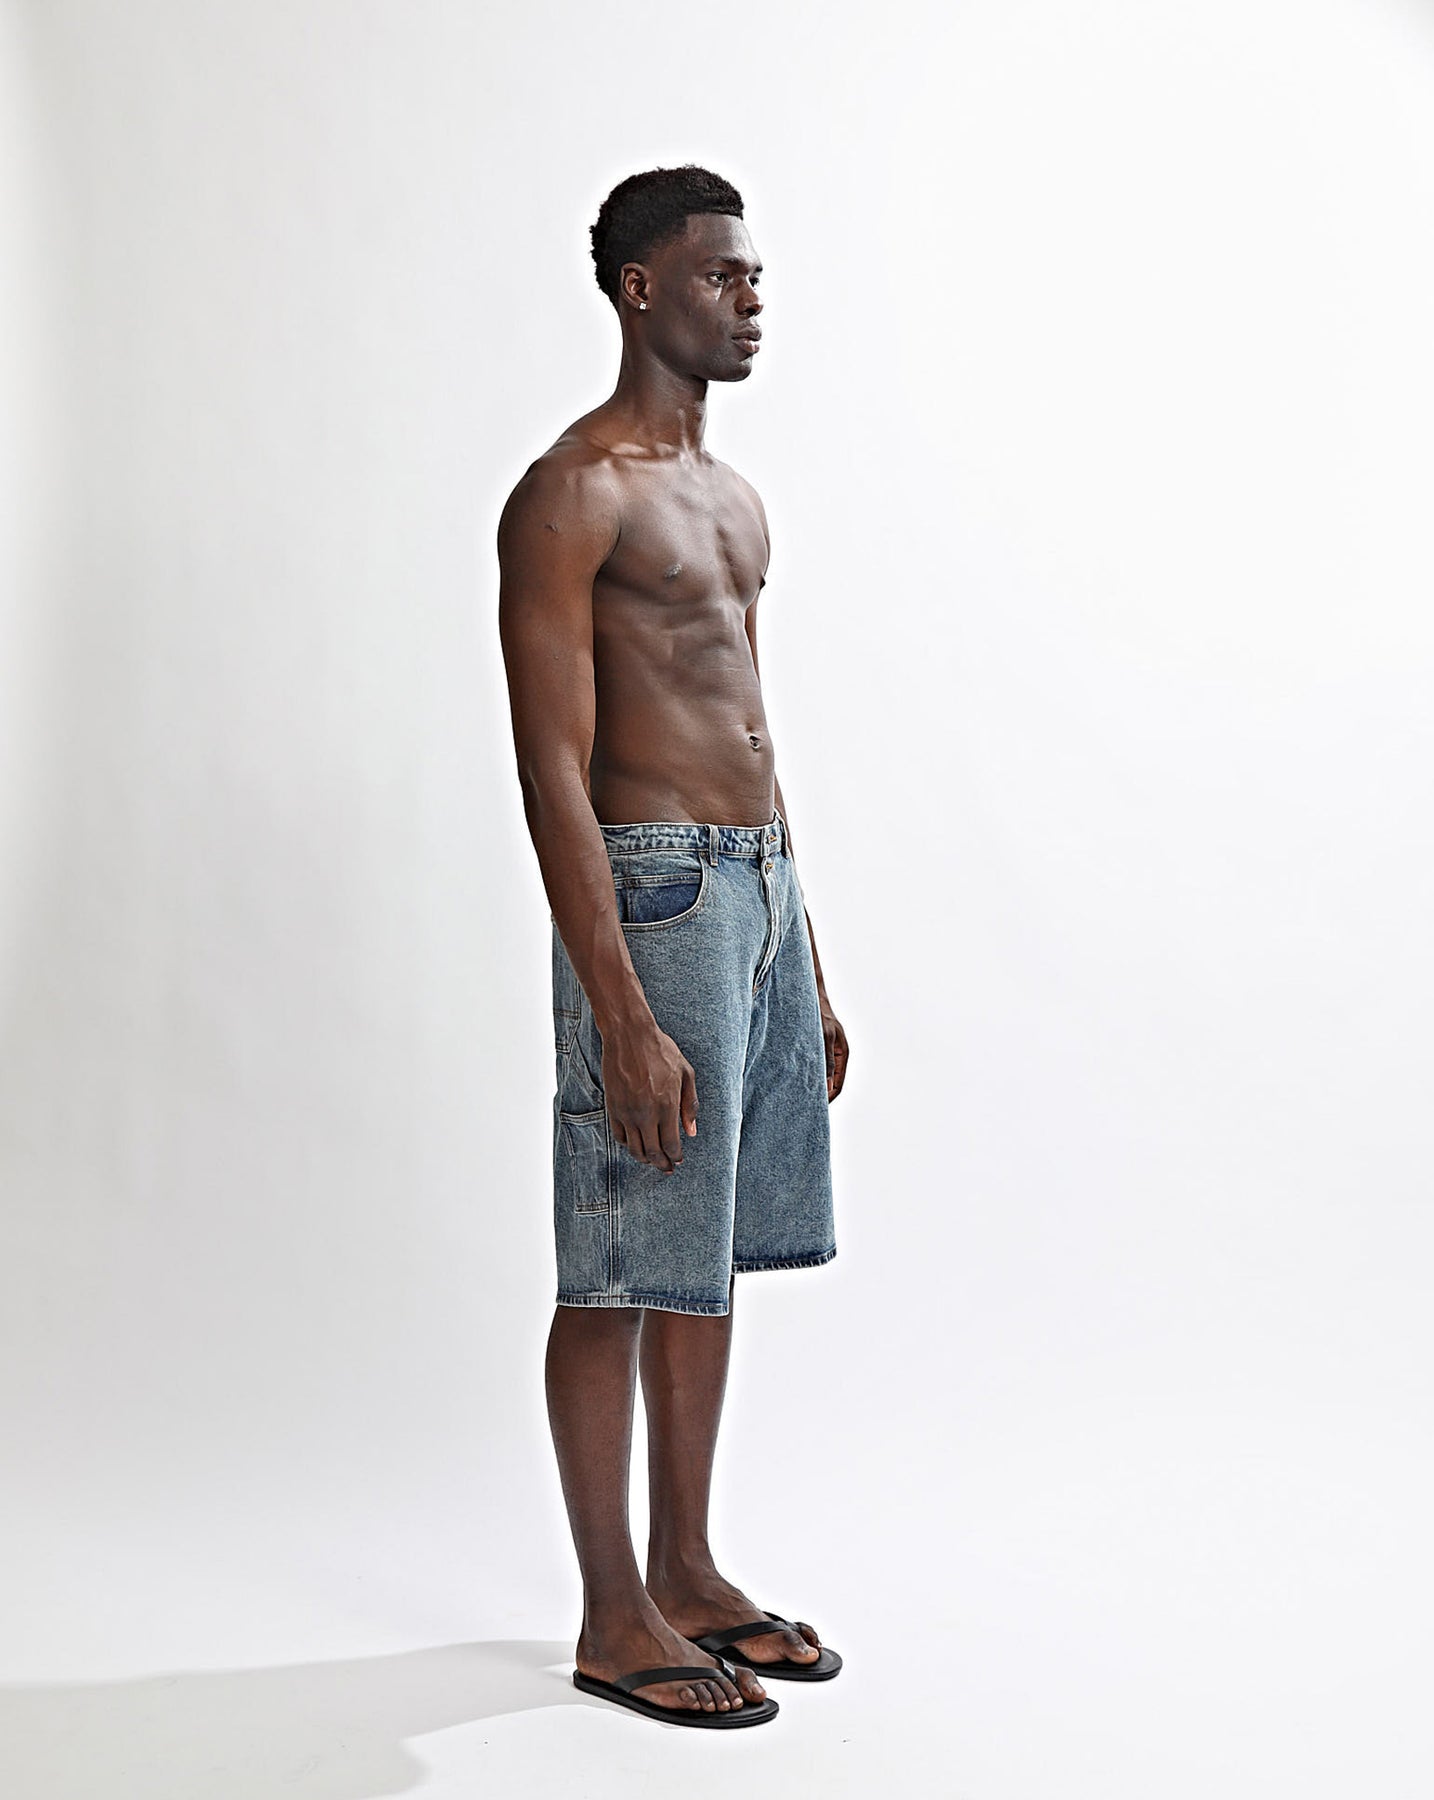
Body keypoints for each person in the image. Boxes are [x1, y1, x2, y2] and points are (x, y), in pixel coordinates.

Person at [497, 164, 848, 1730]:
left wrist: (804, 957)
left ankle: (688, 1571)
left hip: (753, 888)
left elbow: (754, 734)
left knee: (699, 1261)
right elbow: (550, 767)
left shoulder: (732, 498)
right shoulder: (572, 491)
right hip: (651, 896)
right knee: (624, 1256)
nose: (750, 301)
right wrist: (620, 1007)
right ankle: (608, 1617)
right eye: (722, 277)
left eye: (756, 277)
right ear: (641, 288)